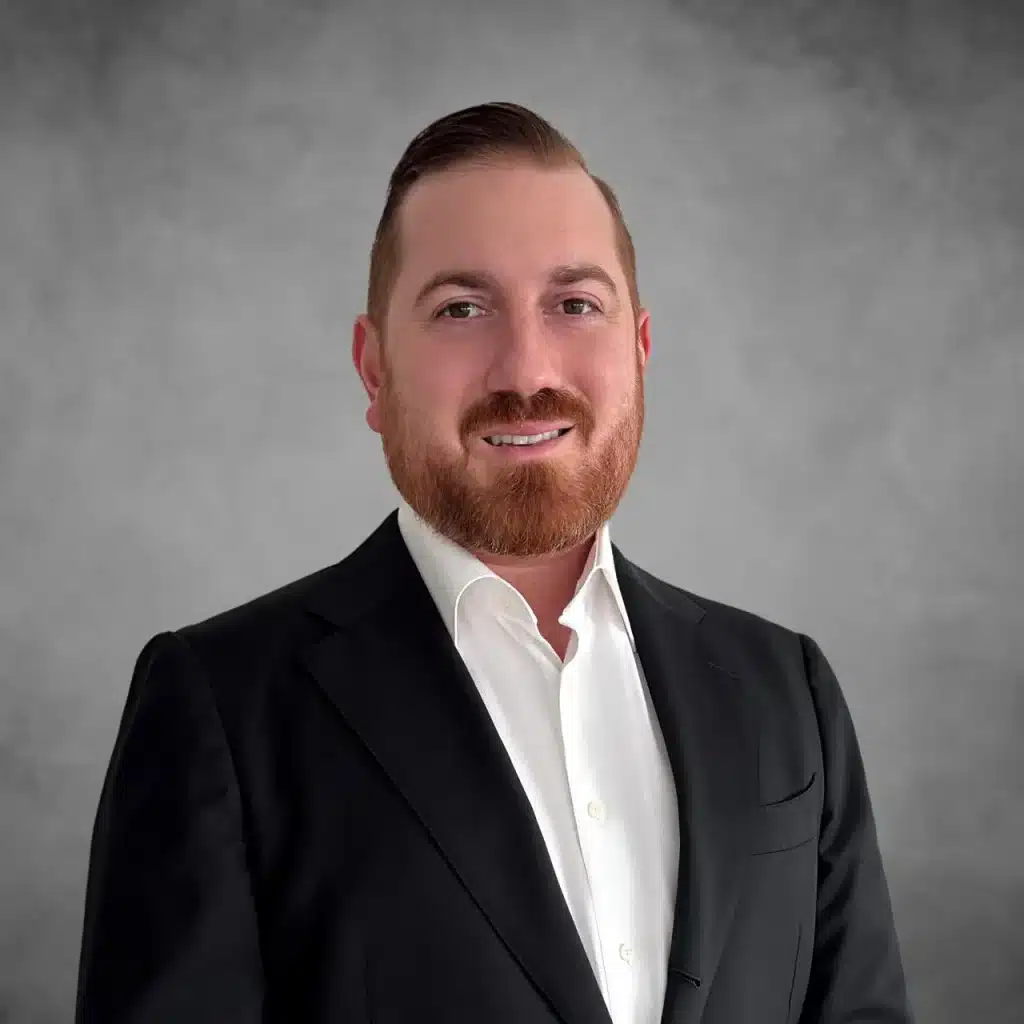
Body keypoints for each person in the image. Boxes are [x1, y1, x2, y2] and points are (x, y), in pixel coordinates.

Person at [75, 102, 915, 1024]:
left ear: (638, 349)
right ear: (373, 369)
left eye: (575, 305)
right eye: (462, 308)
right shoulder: (220, 707)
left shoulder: (785, 690)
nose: (526, 366)